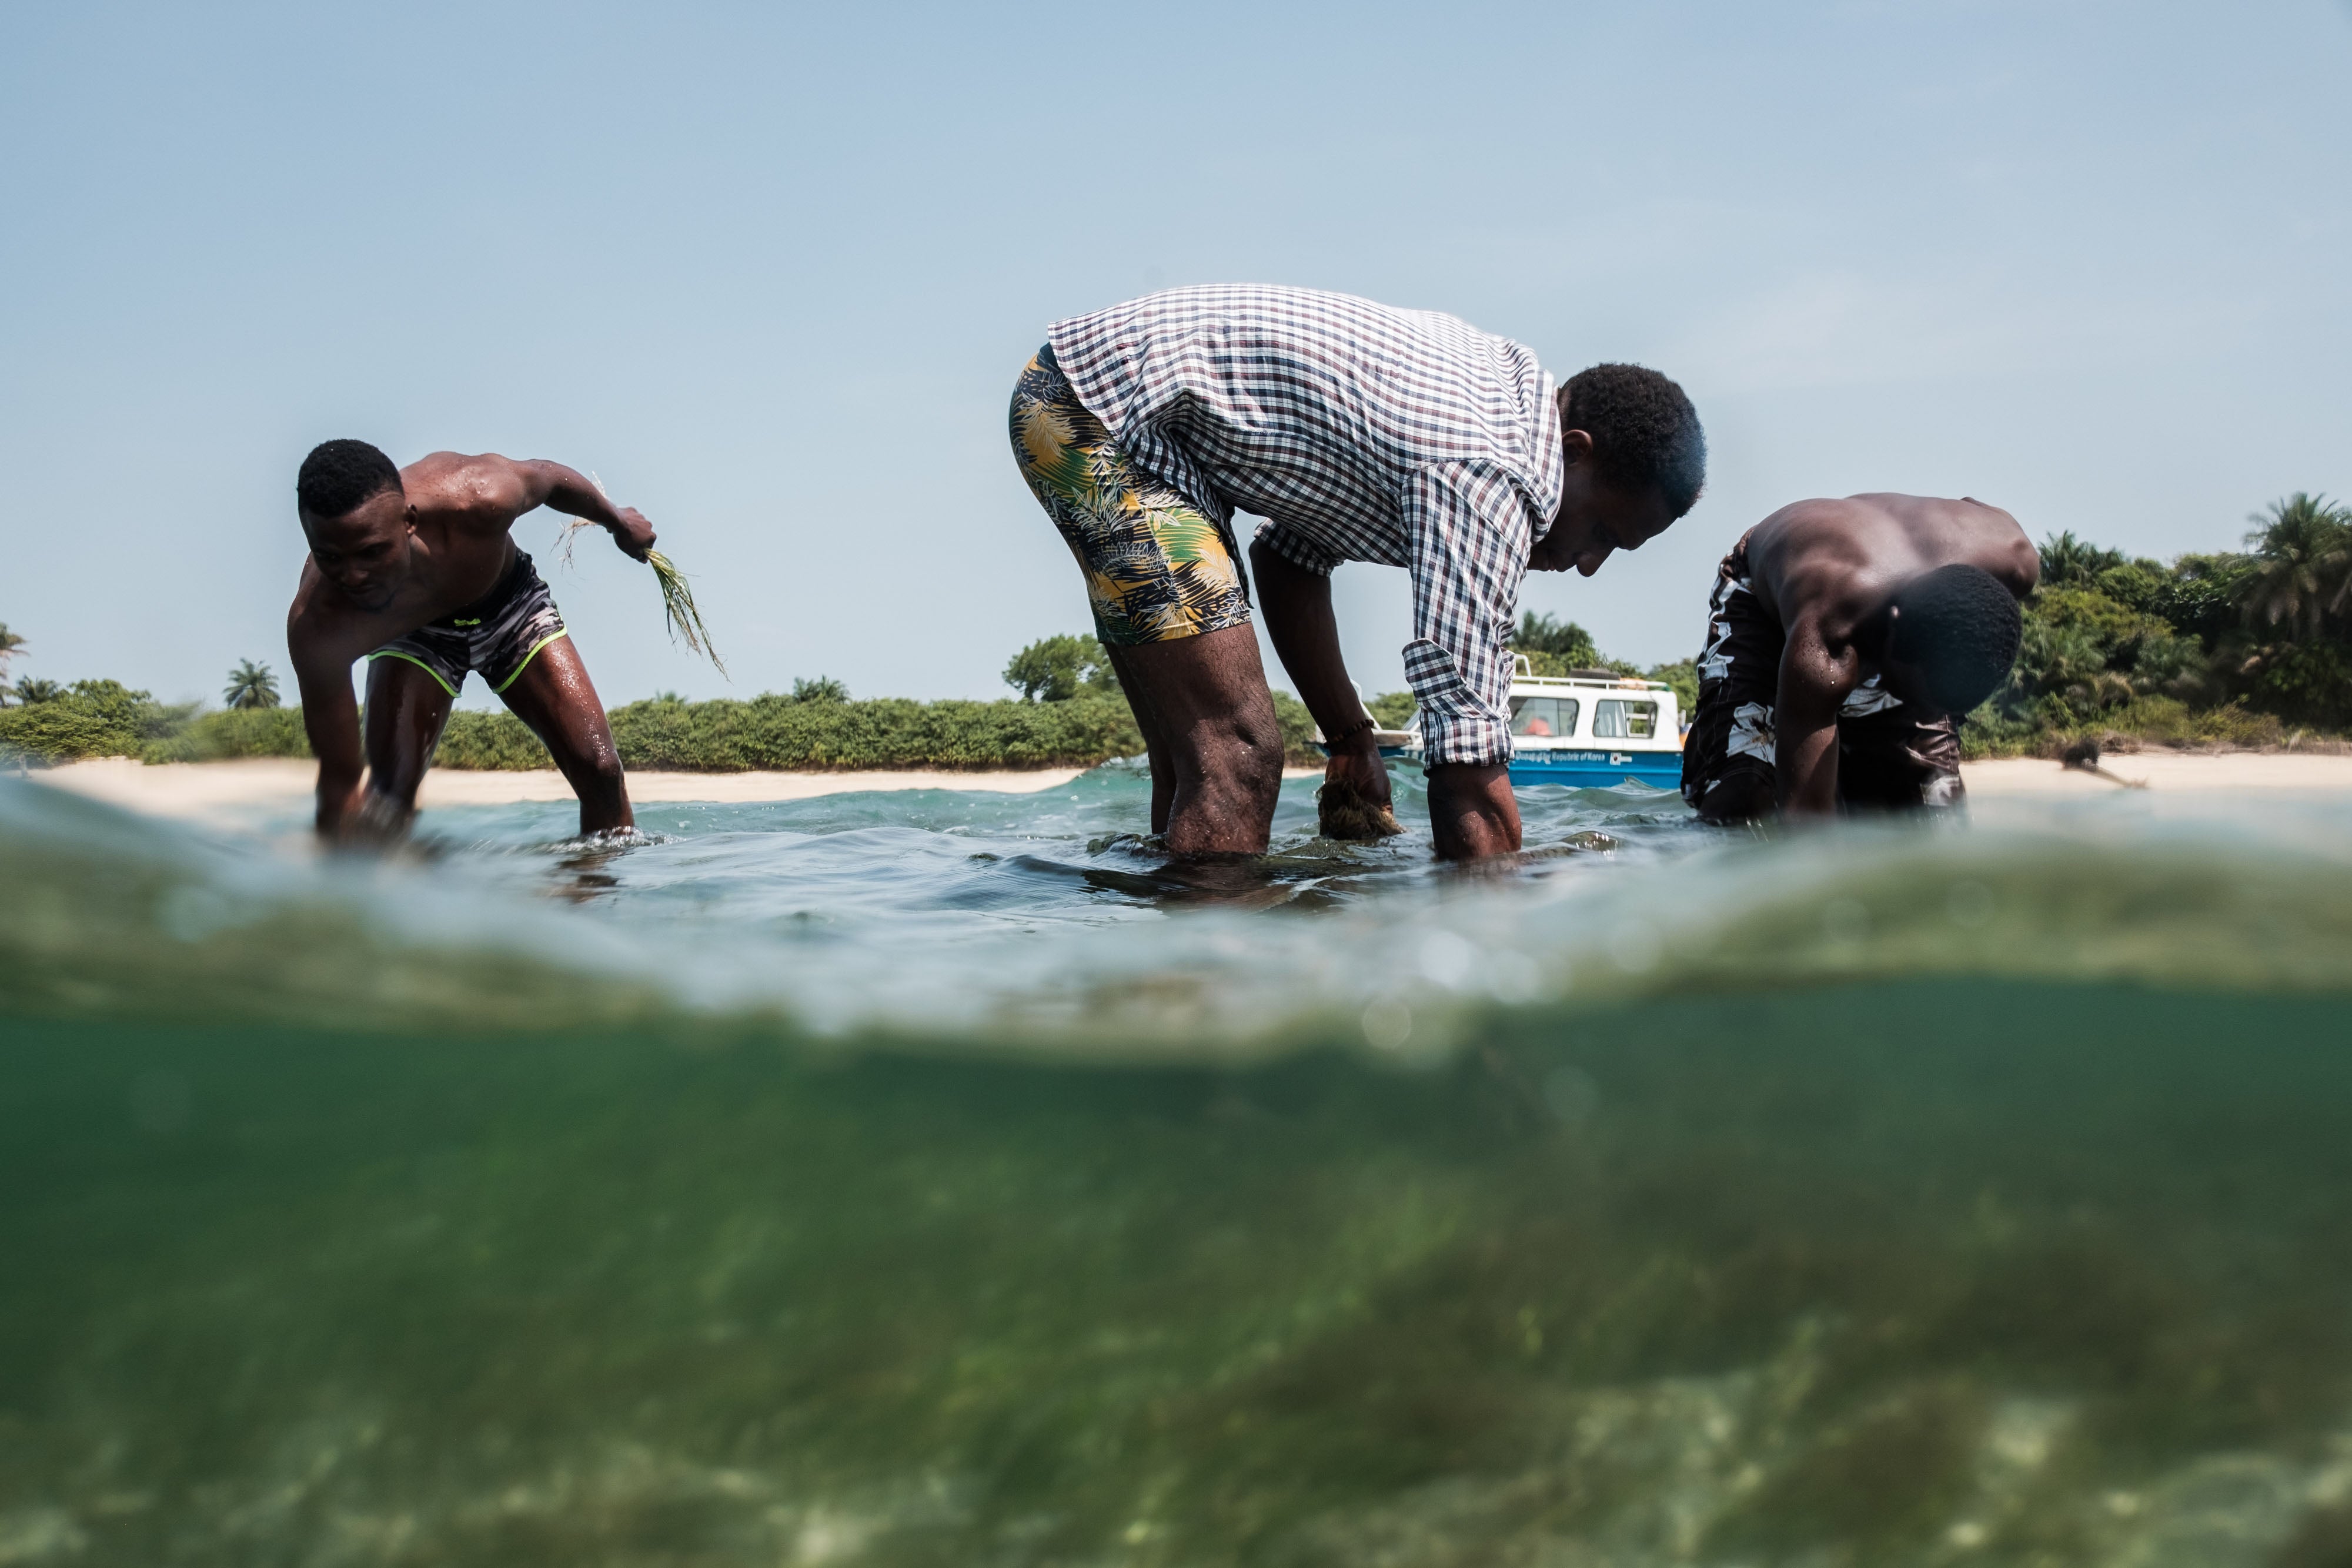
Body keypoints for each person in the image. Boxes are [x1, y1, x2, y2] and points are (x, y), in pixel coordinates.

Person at [1009, 284, 1705, 861]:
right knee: (1237, 756)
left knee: (1195, 760)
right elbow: (1464, 753)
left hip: (1086, 395)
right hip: (1096, 414)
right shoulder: (1493, 472)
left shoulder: (1500, 409)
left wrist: (1350, 739)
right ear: (1574, 453)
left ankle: (1170, 977)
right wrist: (1501, 942)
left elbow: (1287, 562)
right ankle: (1209, 1000)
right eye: (1602, 534)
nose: (1586, 565)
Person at [286, 439, 656, 842]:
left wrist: (617, 520)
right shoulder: (318, 627)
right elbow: (339, 786)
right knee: (385, 804)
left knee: (600, 769)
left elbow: (549, 477)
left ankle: (599, 892)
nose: (354, 577)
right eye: (331, 557)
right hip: (414, 636)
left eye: (372, 552)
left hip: (510, 608)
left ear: (409, 521)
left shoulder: (478, 496)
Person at [1681, 493, 2037, 822]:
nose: (1927, 716)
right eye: (1914, 699)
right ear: (1894, 629)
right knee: (1744, 797)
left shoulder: (2016, 562)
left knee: (1936, 813)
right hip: (1763, 595)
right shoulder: (1829, 629)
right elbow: (1807, 826)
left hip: (1878, 581)